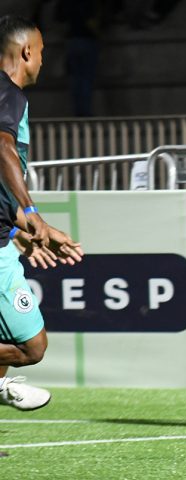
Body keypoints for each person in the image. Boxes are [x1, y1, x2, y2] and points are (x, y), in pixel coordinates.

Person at [0, 15, 84, 412]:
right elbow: (2, 148)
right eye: (42, 52)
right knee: (32, 347)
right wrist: (32, 214)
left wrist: (27, 229)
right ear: (26, 51)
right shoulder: (9, 94)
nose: (43, 60)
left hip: (5, 235)